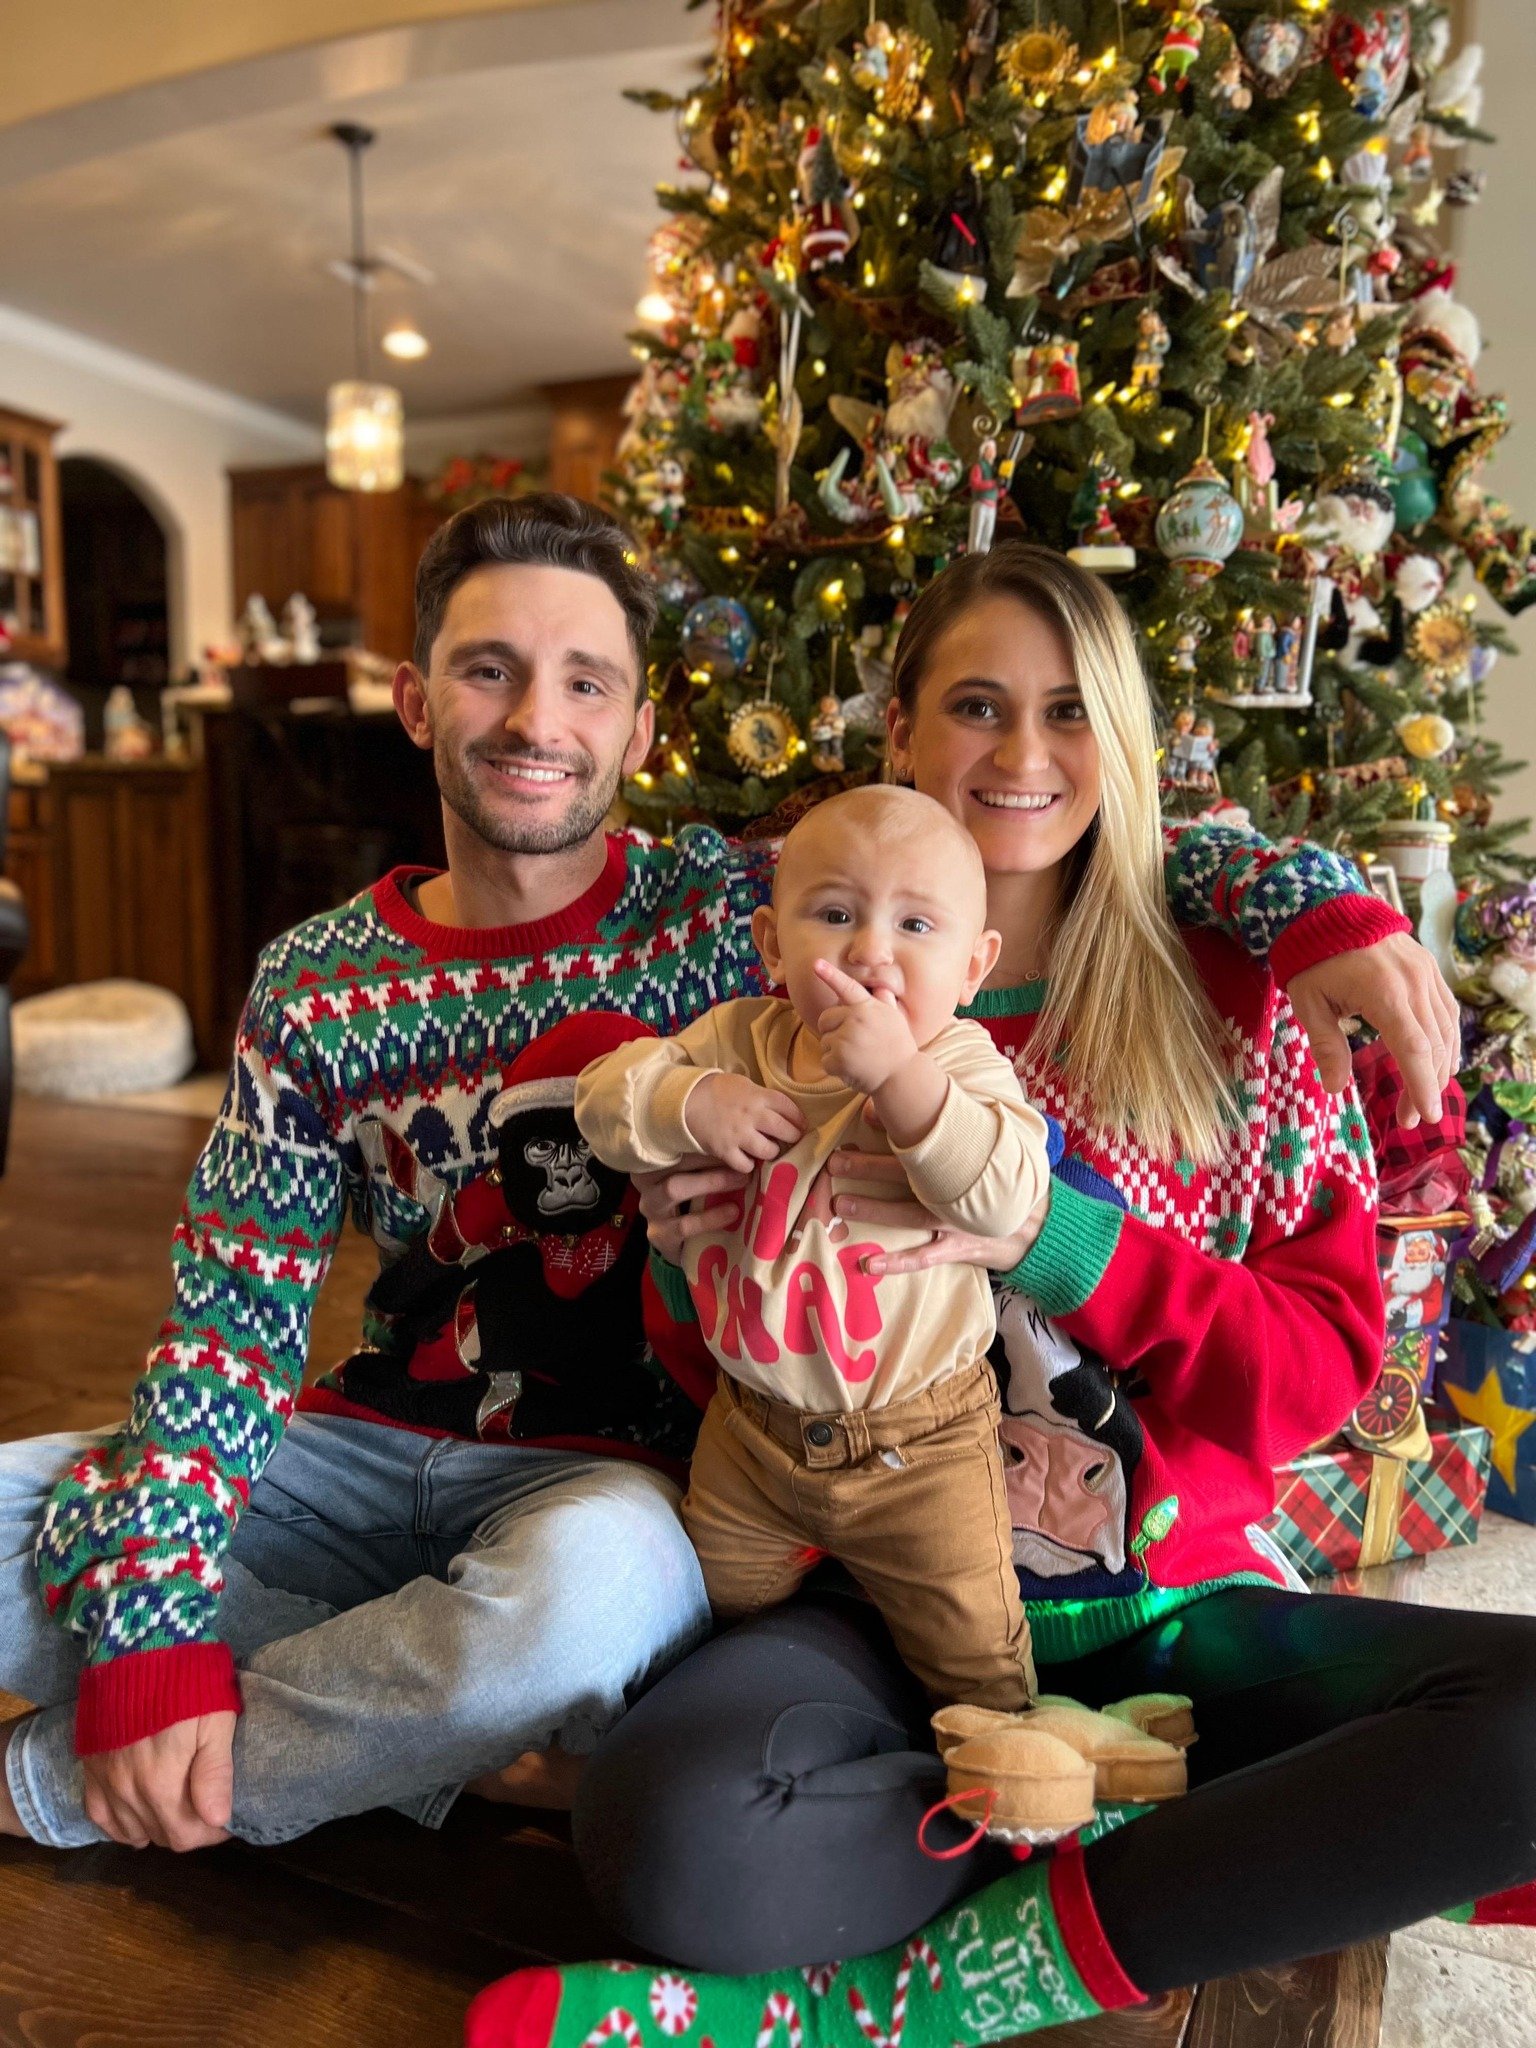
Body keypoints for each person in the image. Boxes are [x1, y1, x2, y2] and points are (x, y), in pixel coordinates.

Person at [0, 500, 1456, 1864]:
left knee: (578, 1627)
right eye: (490, 671)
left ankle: (155, 1759)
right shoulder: (329, 983)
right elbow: (224, 1332)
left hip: (615, 1497)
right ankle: (401, 1701)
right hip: (370, 1437)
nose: (534, 723)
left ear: (638, 723)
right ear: (413, 697)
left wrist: (1309, 897)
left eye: (584, 683)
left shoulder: (734, 912)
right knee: (56, 1512)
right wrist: (147, 1638)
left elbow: (1028, 831)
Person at [466, 544, 1535, 2048]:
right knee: (668, 1836)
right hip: (880, 1605)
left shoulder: (1241, 1004)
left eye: (1070, 711)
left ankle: (897, 1998)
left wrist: (1051, 1244)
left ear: (1125, 743)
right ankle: (1154, 1841)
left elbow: (1313, 1382)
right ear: (901, 730)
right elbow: (717, 1382)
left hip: (1178, 1617)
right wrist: (693, 1243)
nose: (1024, 755)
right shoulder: (784, 1004)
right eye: (977, 705)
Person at [576, 786, 1050, 1710]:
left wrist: (904, 1084)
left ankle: (1007, 1780)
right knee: (699, 1620)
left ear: (973, 966)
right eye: (834, 915)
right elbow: (603, 1101)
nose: (871, 951)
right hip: (750, 1434)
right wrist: (690, 1101)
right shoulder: (735, 1044)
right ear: (770, 944)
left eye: (916, 924)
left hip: (923, 1444)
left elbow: (1008, 1195)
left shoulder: (960, 1065)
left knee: (977, 1658)